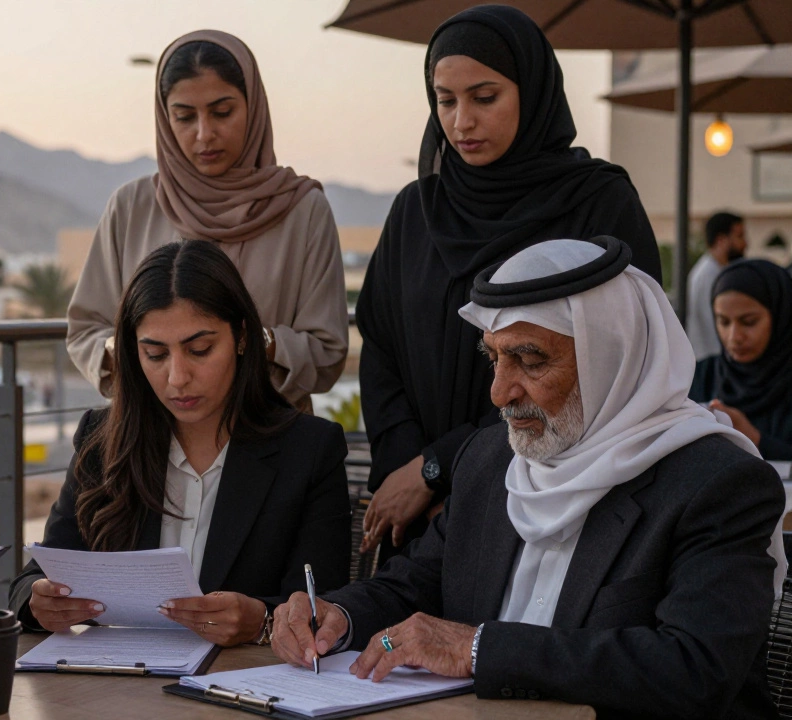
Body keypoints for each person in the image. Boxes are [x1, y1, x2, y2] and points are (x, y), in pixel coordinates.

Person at [274, 237, 784, 719]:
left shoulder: (718, 483)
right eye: (494, 358)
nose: (499, 393)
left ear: (611, 358)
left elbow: (693, 669)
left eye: (529, 360)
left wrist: (477, 650)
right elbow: (415, 586)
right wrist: (337, 616)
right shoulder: (490, 461)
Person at [355, 6, 662, 564]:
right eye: (445, 100)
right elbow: (380, 350)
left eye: (484, 97)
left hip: (551, 508)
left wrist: (442, 469)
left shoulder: (598, 206)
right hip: (416, 525)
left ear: (533, 90)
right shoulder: (415, 213)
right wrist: (408, 470)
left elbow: (613, 369)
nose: (461, 122)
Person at [12, 240, 350, 647]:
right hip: (113, 688)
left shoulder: (310, 450)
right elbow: (38, 574)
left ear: (242, 338)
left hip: (242, 689)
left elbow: (325, 606)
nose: (177, 378)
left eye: (200, 350)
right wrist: (38, 603)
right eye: (155, 354)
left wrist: (261, 622)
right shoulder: (101, 439)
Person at [67, 30, 347, 413]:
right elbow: (86, 330)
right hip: (154, 440)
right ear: (165, 120)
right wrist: (146, 351)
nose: (204, 134)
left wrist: (250, 341)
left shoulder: (302, 210)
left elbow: (327, 352)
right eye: (184, 117)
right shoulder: (132, 206)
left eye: (222, 112)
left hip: (267, 440)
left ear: (254, 108)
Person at [691, 258, 792, 460]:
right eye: (724, 321)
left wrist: (754, 439)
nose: (734, 337)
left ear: (781, 315)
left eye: (749, 322)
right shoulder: (700, 376)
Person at [687, 211, 747, 360]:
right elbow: (715, 329)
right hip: (710, 361)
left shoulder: (717, 272)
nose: (745, 243)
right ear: (721, 240)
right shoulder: (708, 276)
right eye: (739, 236)